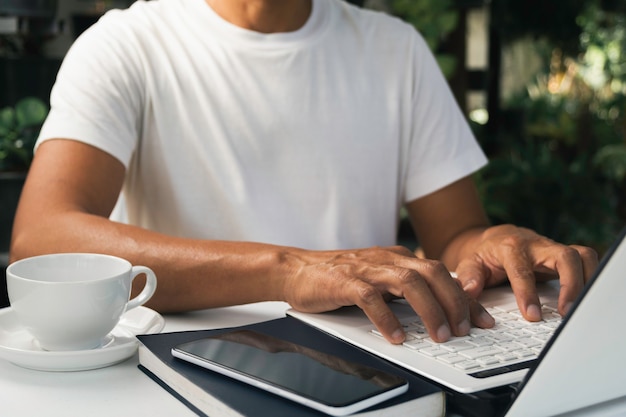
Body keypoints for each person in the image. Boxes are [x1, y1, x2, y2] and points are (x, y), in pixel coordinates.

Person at [10, 0, 598, 345]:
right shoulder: (128, 43)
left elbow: (455, 238)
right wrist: (292, 271)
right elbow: (44, 237)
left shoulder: (395, 49)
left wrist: (493, 244)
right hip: (180, 371)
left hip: (378, 368)